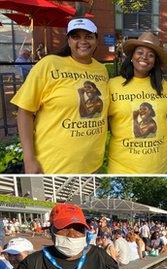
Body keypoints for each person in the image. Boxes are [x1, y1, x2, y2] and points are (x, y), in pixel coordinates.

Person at [11, 18, 109, 174]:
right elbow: (24, 112)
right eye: (76, 36)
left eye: (88, 36)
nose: (82, 41)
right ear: (68, 41)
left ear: (96, 40)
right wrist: (29, 159)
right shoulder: (49, 64)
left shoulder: (101, 70)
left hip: (92, 164)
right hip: (54, 165)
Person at [108, 31, 167, 174]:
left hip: (159, 165)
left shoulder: (163, 85)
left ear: (155, 61)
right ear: (132, 57)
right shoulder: (112, 85)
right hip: (123, 167)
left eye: (151, 55)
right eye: (140, 52)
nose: (144, 57)